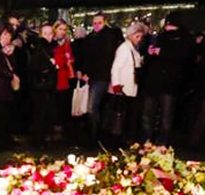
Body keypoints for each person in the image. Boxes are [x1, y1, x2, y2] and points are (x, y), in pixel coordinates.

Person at [140, 14, 193, 145]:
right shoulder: (160, 37)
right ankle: (147, 140)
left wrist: (161, 52)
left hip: (169, 82)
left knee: (166, 116)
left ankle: (162, 143)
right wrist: (150, 52)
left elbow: (184, 56)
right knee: (149, 114)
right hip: (154, 81)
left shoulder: (183, 38)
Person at [78, 13, 123, 141]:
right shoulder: (93, 37)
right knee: (93, 106)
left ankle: (94, 135)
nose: (96, 25)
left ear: (105, 22)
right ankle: (93, 133)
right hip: (94, 76)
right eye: (95, 23)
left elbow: (104, 59)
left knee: (92, 106)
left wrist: (88, 72)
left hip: (100, 77)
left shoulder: (107, 37)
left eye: (99, 23)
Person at [108, 21, 147, 145]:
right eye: (137, 36)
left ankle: (121, 139)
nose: (139, 39)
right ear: (130, 35)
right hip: (124, 88)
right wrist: (116, 86)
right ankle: (117, 140)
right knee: (121, 116)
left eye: (141, 36)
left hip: (129, 88)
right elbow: (116, 68)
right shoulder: (125, 48)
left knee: (124, 116)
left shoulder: (133, 48)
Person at [29, 22, 59, 148]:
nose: (47, 36)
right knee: (40, 113)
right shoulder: (40, 47)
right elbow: (35, 66)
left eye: (50, 33)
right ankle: (39, 140)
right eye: (45, 33)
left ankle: (42, 139)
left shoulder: (51, 47)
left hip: (47, 84)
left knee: (45, 113)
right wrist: (51, 67)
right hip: (41, 85)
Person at [53, 20, 76, 142]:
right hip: (55, 77)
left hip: (64, 78)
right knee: (55, 105)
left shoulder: (66, 43)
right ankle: (55, 130)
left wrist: (69, 60)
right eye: (60, 29)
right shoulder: (53, 43)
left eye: (64, 29)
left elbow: (70, 57)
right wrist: (65, 59)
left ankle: (62, 131)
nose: (62, 32)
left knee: (64, 105)